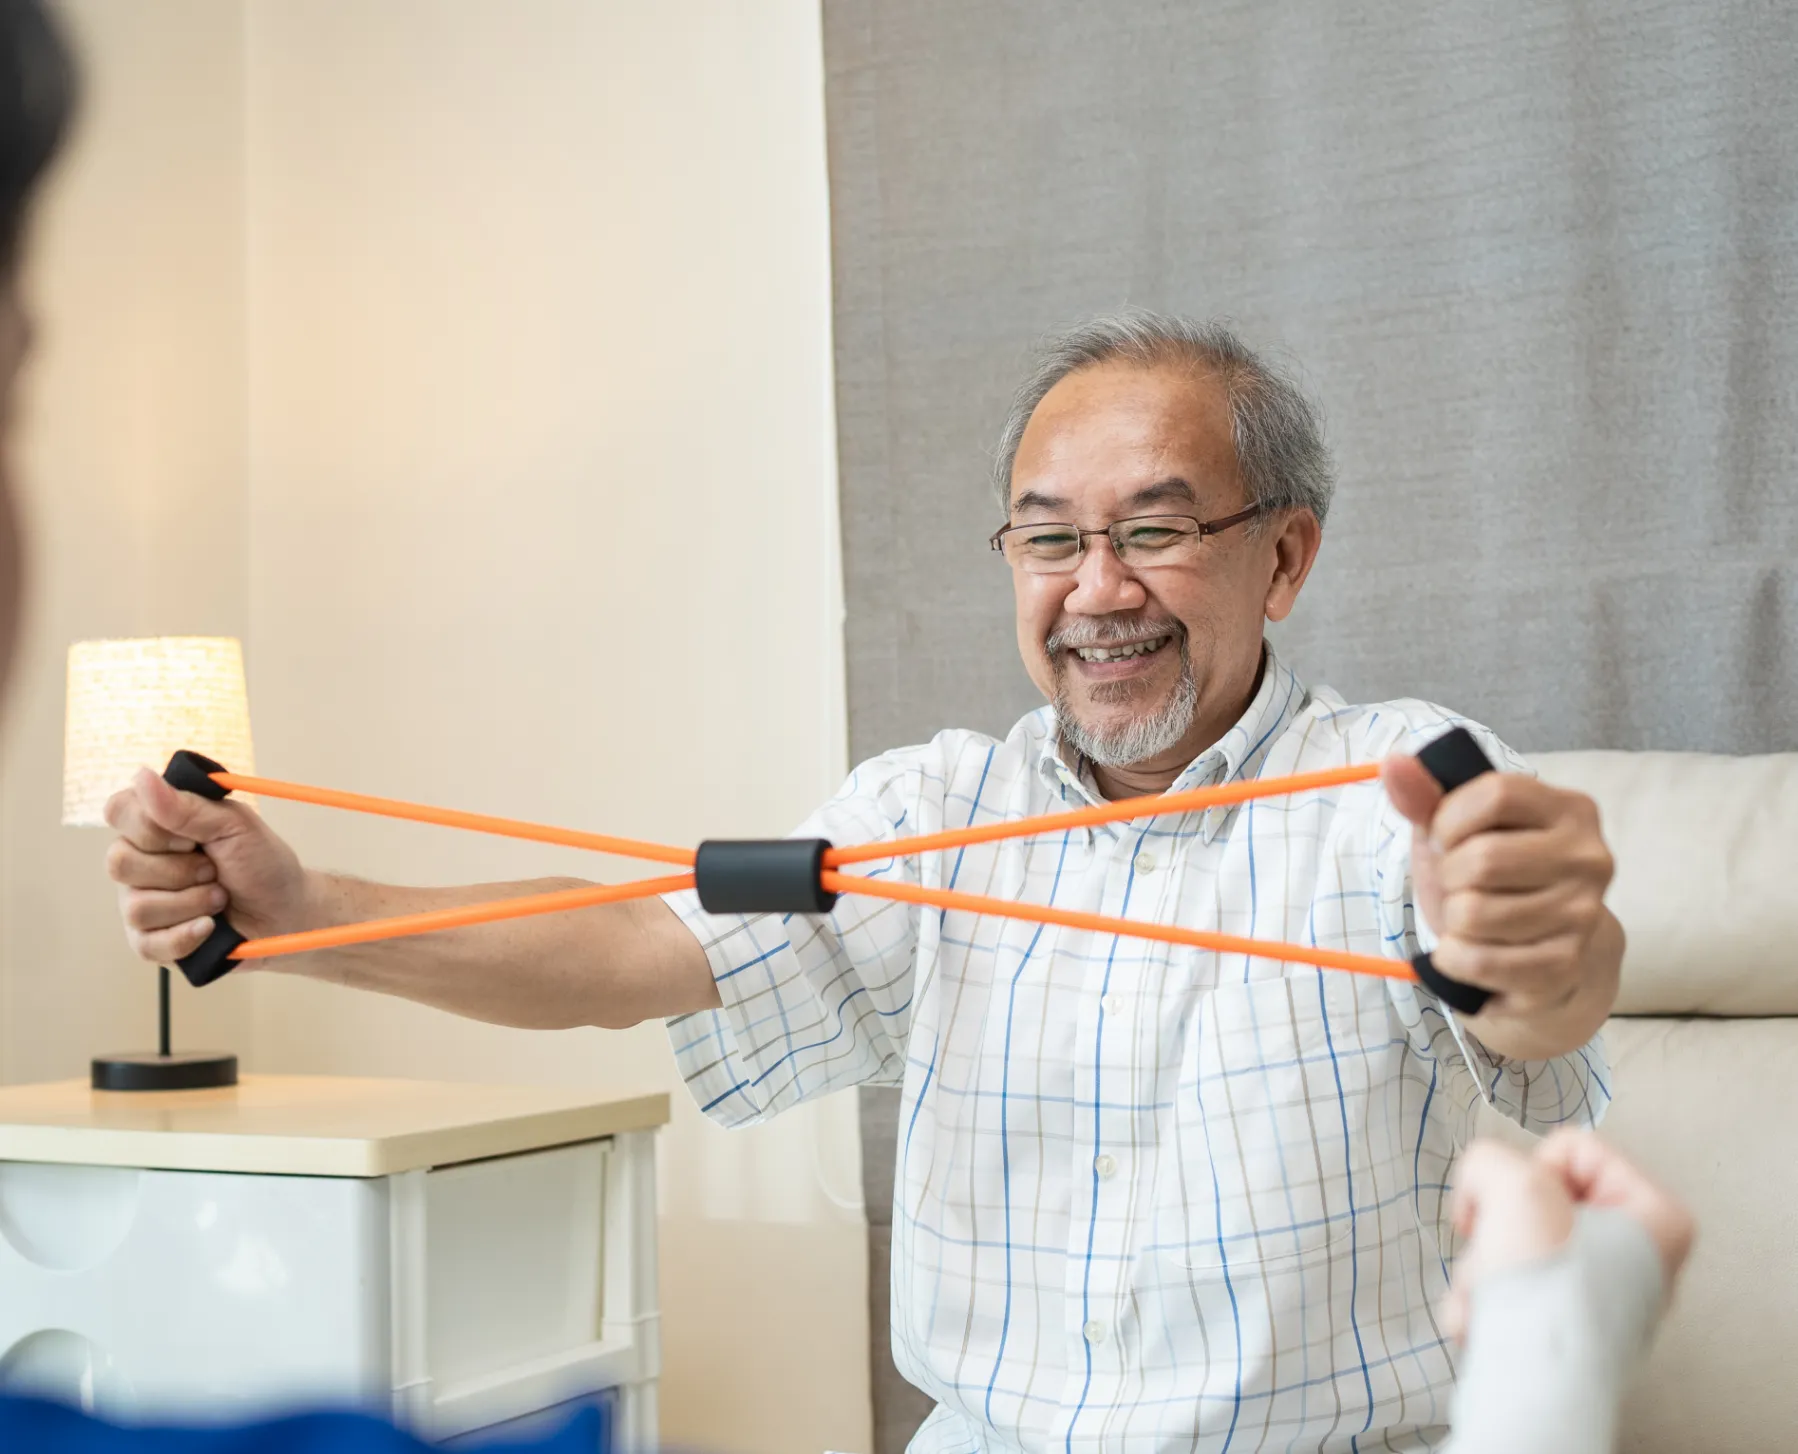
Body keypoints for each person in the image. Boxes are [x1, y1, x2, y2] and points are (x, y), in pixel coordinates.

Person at [105, 312, 1627, 1451]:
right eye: (1048, 540)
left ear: (1281, 558)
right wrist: (304, 915)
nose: (1096, 589)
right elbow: (634, 952)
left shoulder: (1398, 786)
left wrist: (1539, 934)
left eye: (1152, 530)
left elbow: (1542, 997)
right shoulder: (925, 809)